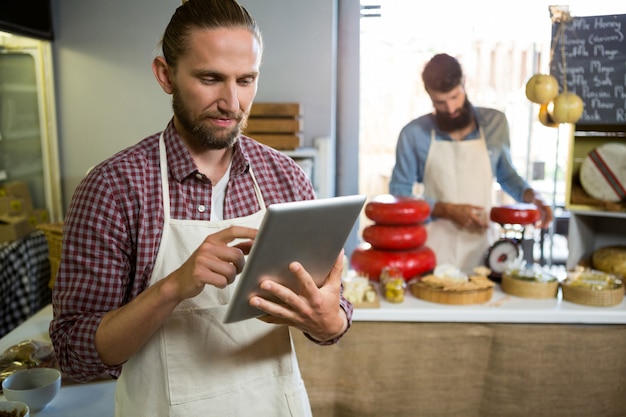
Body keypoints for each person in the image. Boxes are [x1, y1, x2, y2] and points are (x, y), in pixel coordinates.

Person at [49, 1, 352, 415]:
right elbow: (73, 352)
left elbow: (334, 318)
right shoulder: (113, 188)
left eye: (246, 80)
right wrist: (173, 287)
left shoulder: (286, 178)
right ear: (165, 74)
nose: (232, 101)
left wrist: (327, 320)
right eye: (211, 78)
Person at [389, 53, 553, 273]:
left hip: (484, 252)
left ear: (463, 83)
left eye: (455, 97)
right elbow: (400, 194)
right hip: (432, 254)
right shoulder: (413, 134)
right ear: (429, 95)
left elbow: (506, 174)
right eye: (440, 102)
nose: (450, 108)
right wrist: (446, 210)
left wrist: (534, 197)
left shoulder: (495, 124)